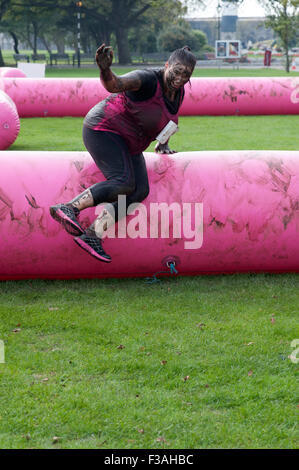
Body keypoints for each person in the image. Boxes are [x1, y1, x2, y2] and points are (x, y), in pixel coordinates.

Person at [50, 44, 196, 263]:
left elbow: (167, 118)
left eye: (187, 75)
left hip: (130, 142)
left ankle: (92, 235)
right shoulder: (146, 80)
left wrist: (163, 143)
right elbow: (115, 84)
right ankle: (68, 207)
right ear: (167, 65)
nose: (180, 78)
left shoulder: (178, 92)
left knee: (140, 191)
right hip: (104, 129)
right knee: (124, 182)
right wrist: (105, 70)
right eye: (177, 71)